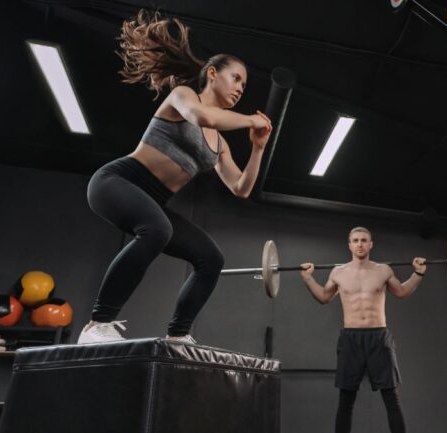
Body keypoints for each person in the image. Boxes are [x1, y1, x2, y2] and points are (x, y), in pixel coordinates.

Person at [78, 10, 272, 344]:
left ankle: (178, 335)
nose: (241, 88)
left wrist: (257, 148)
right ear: (212, 74)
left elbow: (241, 188)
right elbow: (201, 117)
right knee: (157, 229)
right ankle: (98, 324)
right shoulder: (185, 97)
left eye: (244, 84)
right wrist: (250, 121)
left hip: (151, 202)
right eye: (236, 78)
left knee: (210, 259)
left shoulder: (220, 144)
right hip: (117, 183)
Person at [299, 227, 426, 433]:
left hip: (379, 337)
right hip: (351, 339)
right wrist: (308, 279)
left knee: (391, 397)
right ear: (349, 245)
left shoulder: (383, 270)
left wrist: (418, 274)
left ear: (370, 244)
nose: (359, 244)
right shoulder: (338, 272)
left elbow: (402, 292)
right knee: (346, 400)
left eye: (364, 240)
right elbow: (323, 297)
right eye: (355, 240)